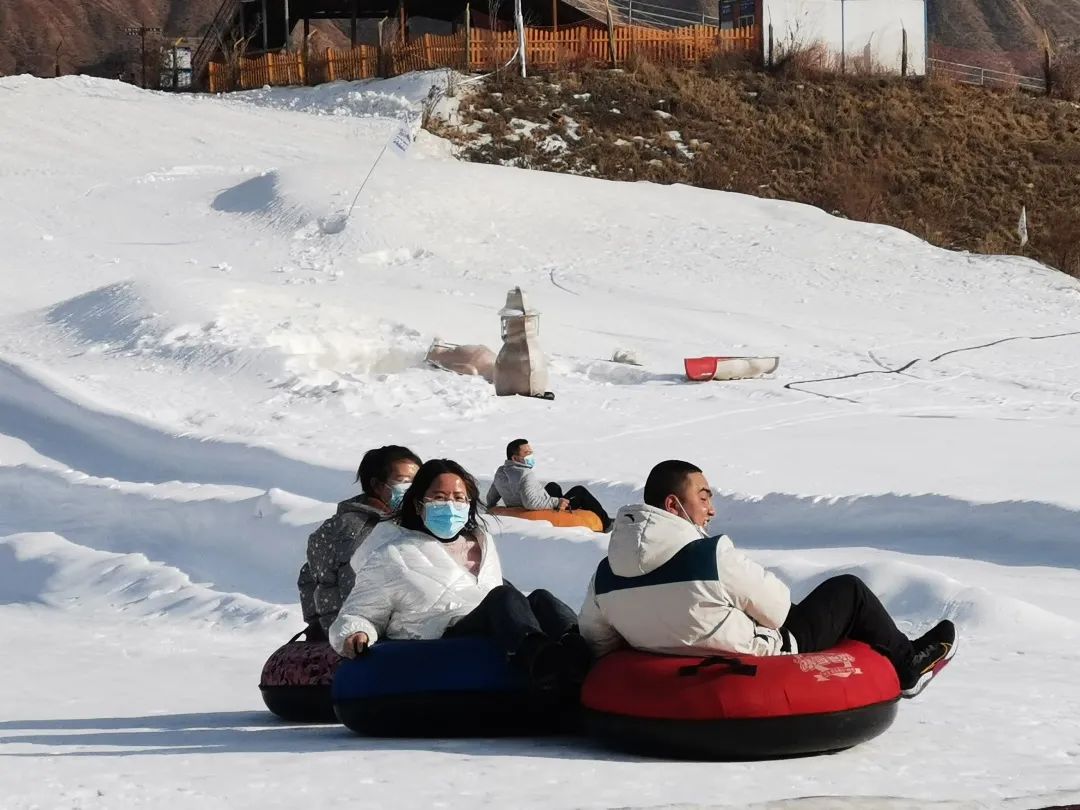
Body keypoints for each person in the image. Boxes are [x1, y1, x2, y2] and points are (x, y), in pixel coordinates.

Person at [579, 460, 957, 699]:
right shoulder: (709, 556)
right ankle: (908, 665)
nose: (712, 509)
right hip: (764, 651)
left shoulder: (605, 573)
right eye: (704, 497)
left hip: (660, 666)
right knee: (849, 590)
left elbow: (598, 640)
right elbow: (777, 609)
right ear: (673, 506)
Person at [330, 459, 591, 693]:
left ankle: (584, 656)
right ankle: (544, 665)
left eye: (458, 498)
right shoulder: (392, 554)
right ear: (419, 504)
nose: (450, 505)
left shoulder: (483, 544)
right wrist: (356, 632)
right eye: (440, 497)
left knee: (540, 598)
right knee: (503, 596)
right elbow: (358, 613)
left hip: (488, 637)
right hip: (441, 637)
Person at [297, 445, 422, 641]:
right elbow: (318, 581)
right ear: (377, 485)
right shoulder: (348, 528)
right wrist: (331, 630)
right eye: (404, 482)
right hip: (357, 635)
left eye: (419, 482)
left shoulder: (412, 523)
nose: (413, 489)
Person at [485, 439, 613, 531]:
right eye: (527, 453)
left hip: (518, 507)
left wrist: (494, 510)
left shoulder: (501, 472)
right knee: (580, 491)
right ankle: (606, 523)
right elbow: (531, 503)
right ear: (515, 458)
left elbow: (491, 498)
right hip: (540, 509)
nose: (531, 455)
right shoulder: (525, 473)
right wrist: (556, 502)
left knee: (553, 486)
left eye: (531, 452)